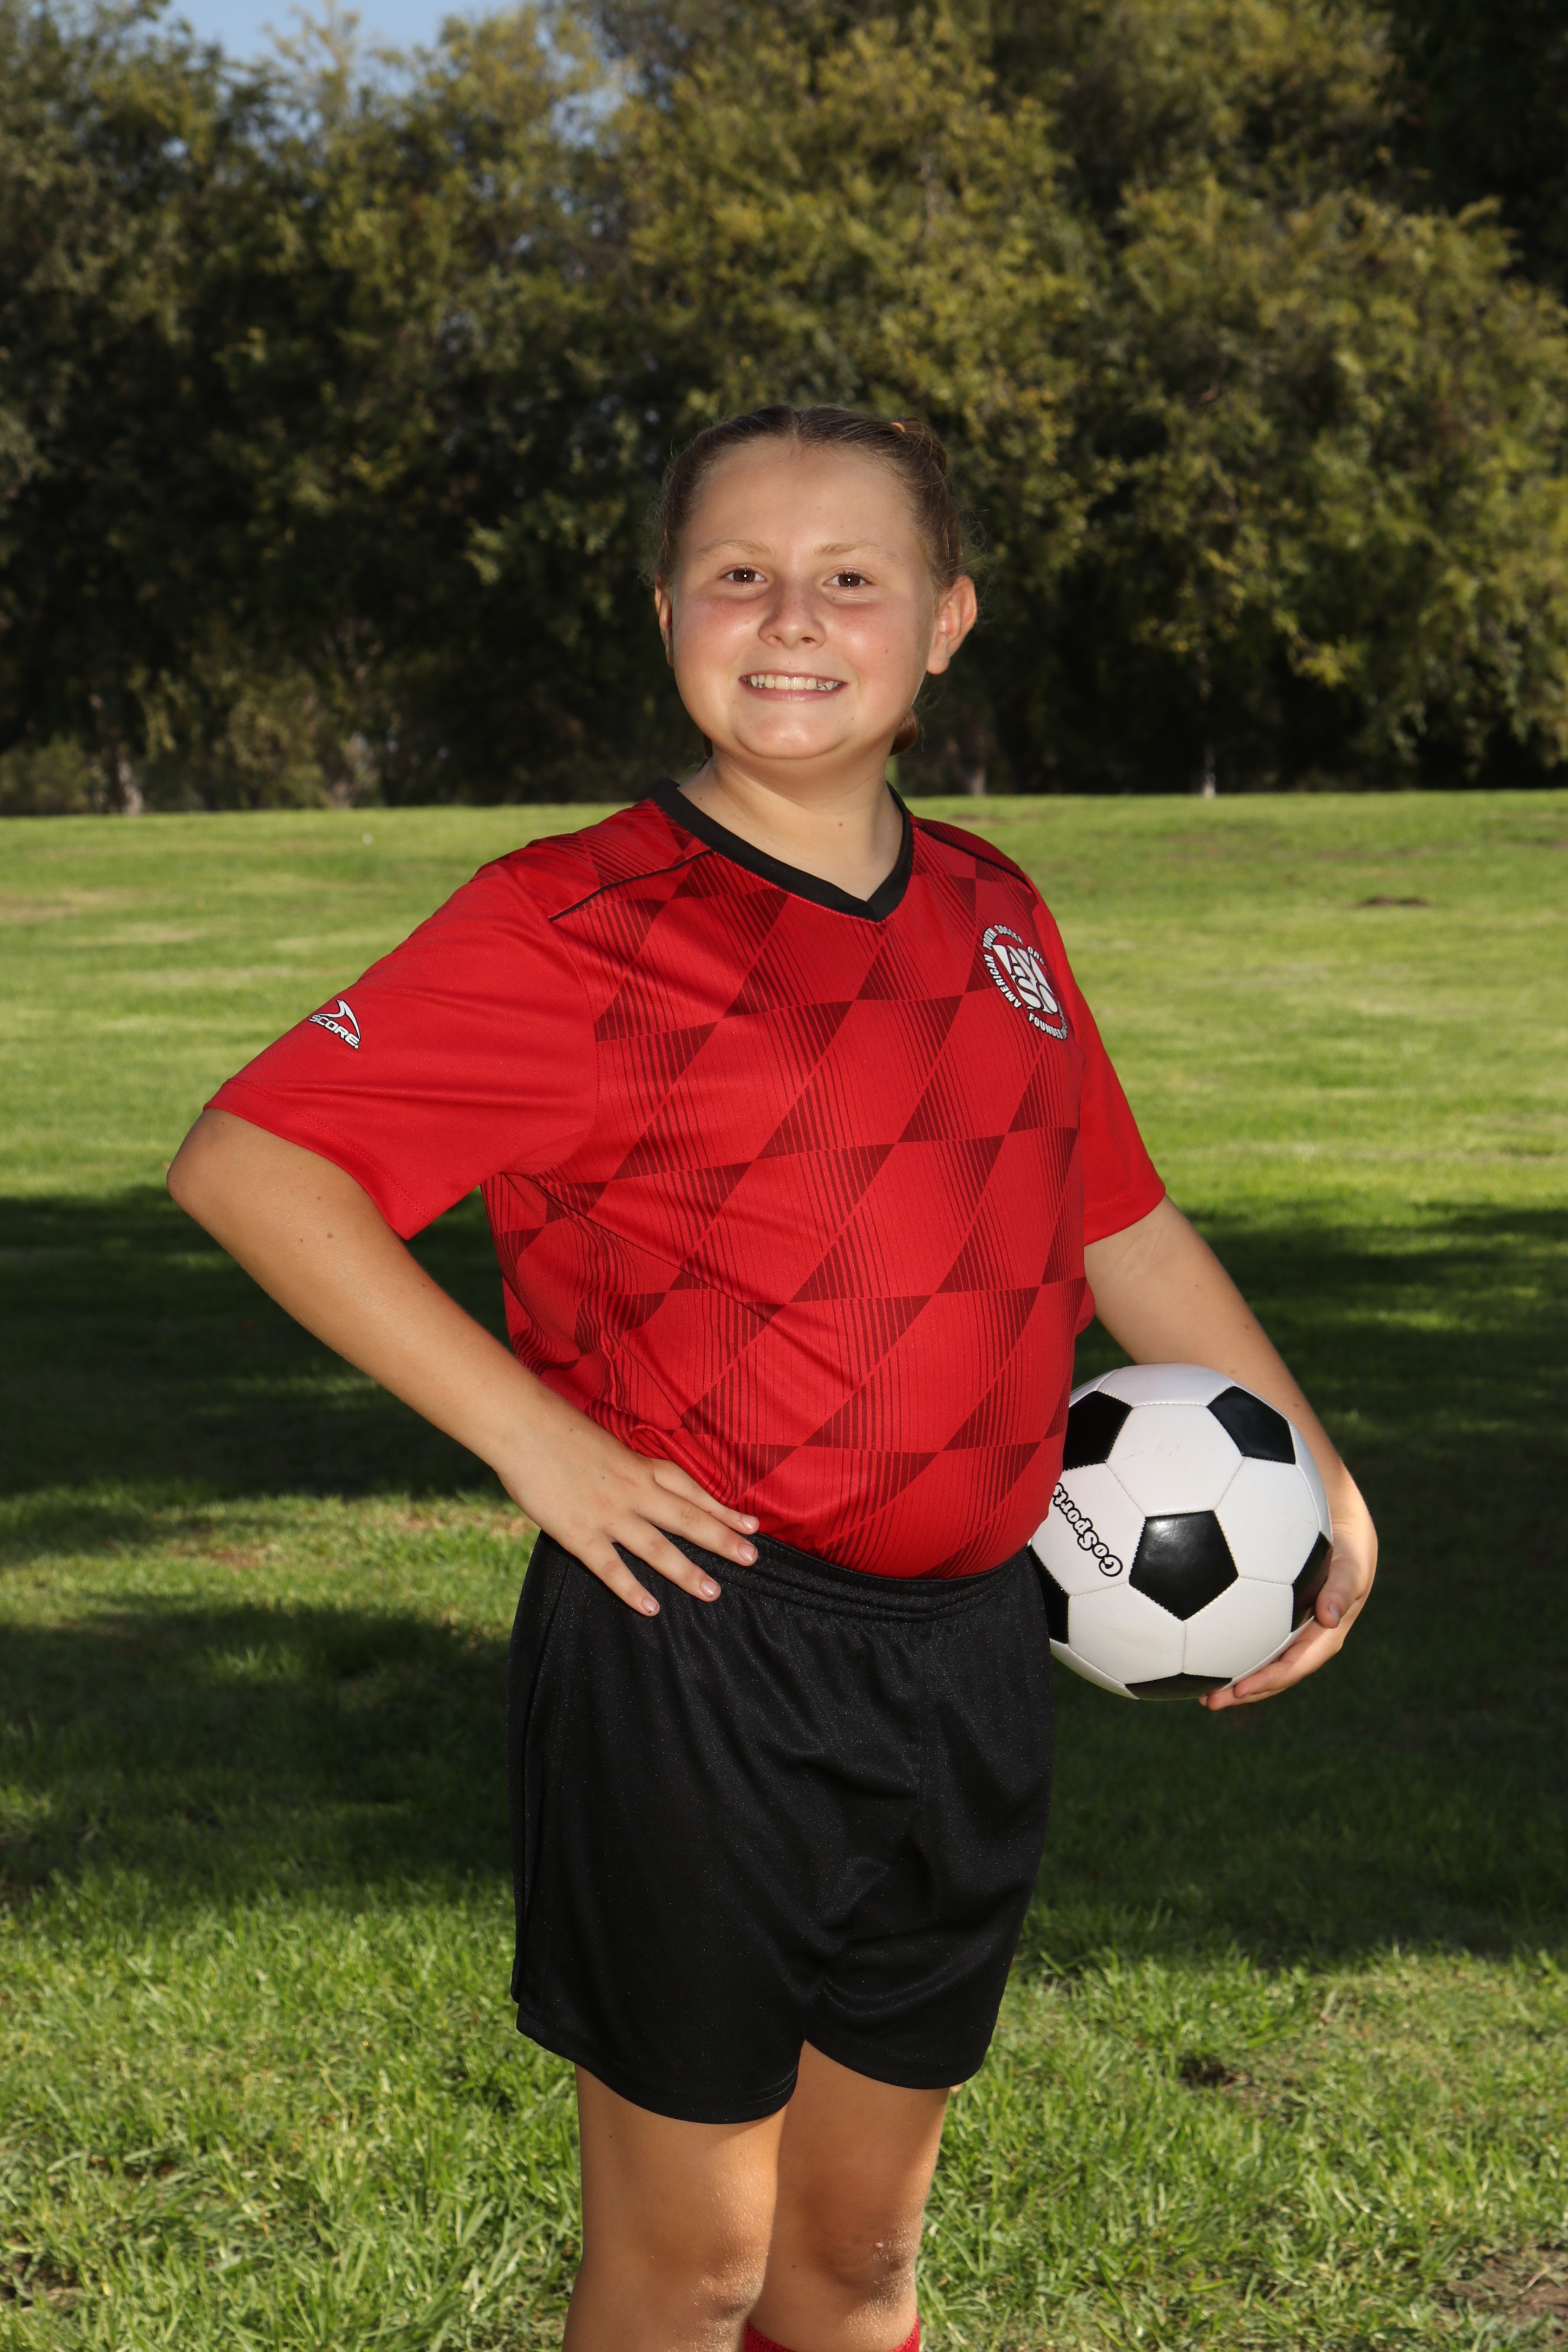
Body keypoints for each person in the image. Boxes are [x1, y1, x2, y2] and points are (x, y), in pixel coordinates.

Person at [168, 404, 1377, 2352]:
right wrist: (540, 1446)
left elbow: (1115, 1218)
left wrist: (1313, 1465)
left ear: (948, 620)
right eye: (738, 573)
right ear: (666, 612)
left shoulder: (997, 914)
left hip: (971, 1655)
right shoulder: (577, 922)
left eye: (851, 578)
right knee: (697, 2263)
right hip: (699, 1646)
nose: (792, 617)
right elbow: (253, 1163)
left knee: (856, 2263)